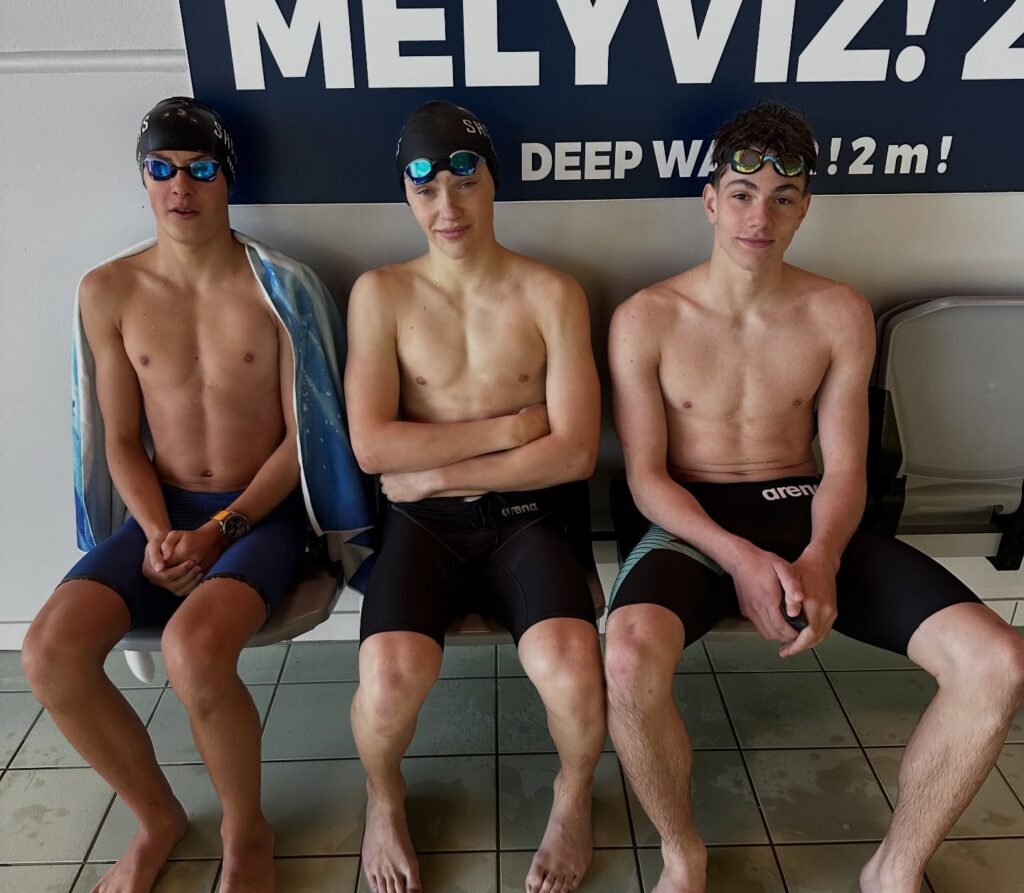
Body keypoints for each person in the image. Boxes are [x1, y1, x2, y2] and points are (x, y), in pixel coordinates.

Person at [604, 101, 1024, 893]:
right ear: (710, 200)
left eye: (782, 198)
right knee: (625, 660)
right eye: (741, 194)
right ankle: (681, 852)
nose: (759, 217)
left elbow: (845, 468)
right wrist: (741, 559)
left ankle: (895, 866)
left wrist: (822, 555)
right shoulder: (646, 318)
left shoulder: (837, 311)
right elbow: (646, 478)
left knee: (997, 662)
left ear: (804, 209)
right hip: (695, 524)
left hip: (808, 512)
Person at [21, 96, 371, 893]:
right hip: (163, 511)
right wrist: (155, 530)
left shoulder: (282, 287)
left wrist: (222, 527)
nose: (180, 186)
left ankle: (247, 832)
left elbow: (308, 436)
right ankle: (157, 819)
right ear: (143, 179)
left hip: (264, 514)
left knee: (193, 650)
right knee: (48, 655)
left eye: (200, 169)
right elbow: (117, 439)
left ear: (228, 181)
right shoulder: (107, 290)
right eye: (162, 169)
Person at [344, 100, 604, 893]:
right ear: (407, 195)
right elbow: (374, 447)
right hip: (421, 529)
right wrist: (513, 427)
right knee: (387, 681)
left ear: (493, 183)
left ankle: (573, 795)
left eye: (465, 182)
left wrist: (435, 473)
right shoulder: (380, 293)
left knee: (572, 670)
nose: (447, 207)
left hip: (529, 521)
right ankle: (383, 796)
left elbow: (577, 452)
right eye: (425, 190)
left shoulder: (552, 292)